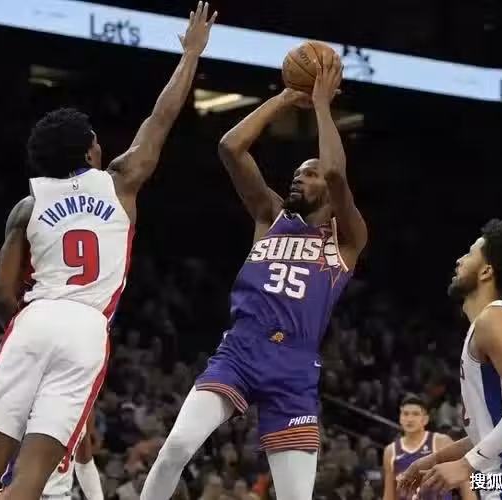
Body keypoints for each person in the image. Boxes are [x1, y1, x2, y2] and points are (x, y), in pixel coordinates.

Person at [0, 4, 217, 500]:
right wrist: (190, 54)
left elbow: (1, 298)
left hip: (34, 319)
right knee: (33, 477)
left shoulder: (26, 206)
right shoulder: (121, 182)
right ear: (91, 149)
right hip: (85, 330)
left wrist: (28, 327)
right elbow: (161, 118)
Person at [140, 50, 368, 500]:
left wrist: (321, 105)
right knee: (177, 447)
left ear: (328, 191)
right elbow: (230, 147)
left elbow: (336, 171)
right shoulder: (270, 216)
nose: (298, 178)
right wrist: (284, 97)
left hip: (295, 365)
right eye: (296, 173)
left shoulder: (347, 239)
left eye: (308, 175)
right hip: (242, 349)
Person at [397, 220, 502, 499]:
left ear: (486, 271)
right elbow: (490, 433)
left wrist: (466, 465)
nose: (459, 260)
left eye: (470, 253)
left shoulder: (494, 317)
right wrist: (433, 460)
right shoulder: (485, 324)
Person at [382, 394, 474, 500]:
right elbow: (389, 494)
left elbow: (464, 481)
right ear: (400, 418)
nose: (410, 419)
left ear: (425, 419)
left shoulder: (441, 441)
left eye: (415, 414)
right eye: (405, 414)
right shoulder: (391, 451)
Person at [0, 415, 102, 500]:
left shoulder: (84, 410)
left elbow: (84, 463)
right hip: (20, 492)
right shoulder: (29, 403)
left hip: (59, 495)